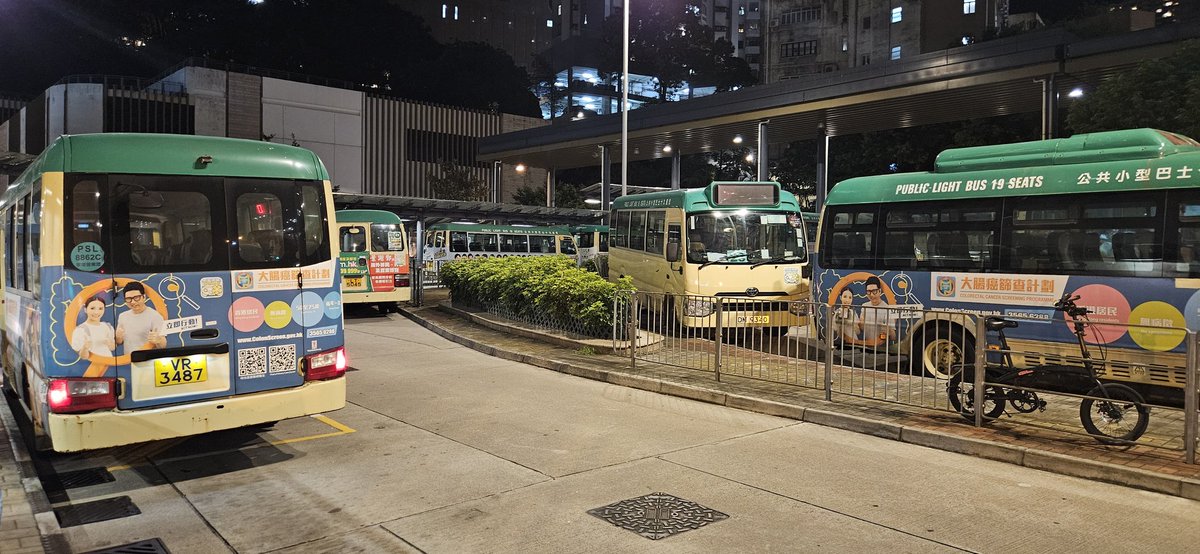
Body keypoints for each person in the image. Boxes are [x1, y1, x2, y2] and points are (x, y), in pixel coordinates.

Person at [116, 281, 166, 354]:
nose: (133, 302)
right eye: (128, 299)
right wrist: (118, 338)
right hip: (129, 359)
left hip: (148, 358)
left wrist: (159, 340)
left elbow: (163, 345)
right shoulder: (122, 316)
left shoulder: (155, 316)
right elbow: (119, 341)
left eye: (136, 298)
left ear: (144, 297)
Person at [70, 295, 116, 360]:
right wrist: (85, 348)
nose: (96, 312)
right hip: (94, 364)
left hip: (109, 362)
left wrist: (111, 344)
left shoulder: (107, 327)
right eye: (92, 308)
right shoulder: (80, 330)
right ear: (85, 309)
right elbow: (84, 357)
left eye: (100, 308)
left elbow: (112, 348)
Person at [856, 276, 898, 346]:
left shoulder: (887, 309)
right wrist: (859, 324)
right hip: (867, 346)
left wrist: (889, 330)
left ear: (880, 291)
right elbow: (861, 329)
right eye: (868, 292)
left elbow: (894, 337)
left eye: (874, 291)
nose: (871, 295)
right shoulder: (864, 306)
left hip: (882, 349)